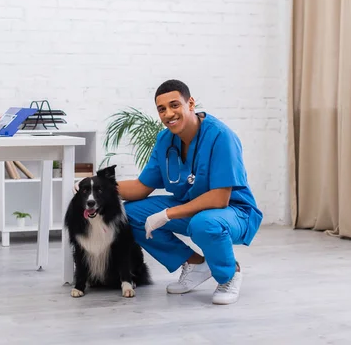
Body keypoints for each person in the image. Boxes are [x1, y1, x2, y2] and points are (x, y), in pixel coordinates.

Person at [111, 79, 262, 305]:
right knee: (130, 213)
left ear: (190, 103)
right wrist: (96, 187)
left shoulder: (221, 136)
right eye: (161, 109)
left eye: (174, 105)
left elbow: (220, 198)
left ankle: (230, 274)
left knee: (205, 224)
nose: (168, 114)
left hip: (233, 211)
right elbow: (142, 187)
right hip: (192, 208)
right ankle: (195, 264)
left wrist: (167, 215)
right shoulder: (165, 139)